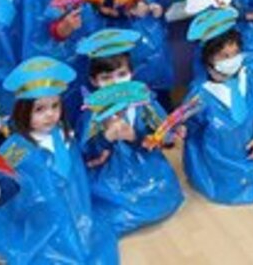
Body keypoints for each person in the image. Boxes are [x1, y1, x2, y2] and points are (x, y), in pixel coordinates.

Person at [0, 56, 119, 264]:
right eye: (40, 109)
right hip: (40, 224)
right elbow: (8, 180)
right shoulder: (17, 148)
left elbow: (79, 164)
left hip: (75, 215)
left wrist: (105, 139)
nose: (50, 115)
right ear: (23, 111)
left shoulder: (64, 134)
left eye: (55, 106)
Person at [76, 28, 184, 235]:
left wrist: (134, 137)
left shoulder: (144, 102)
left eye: (122, 75)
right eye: (106, 78)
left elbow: (163, 137)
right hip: (111, 173)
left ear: (132, 73)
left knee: (162, 195)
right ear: (94, 81)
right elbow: (86, 154)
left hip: (146, 165)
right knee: (108, 209)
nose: (116, 83)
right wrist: (105, 138)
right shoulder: (92, 112)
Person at [183, 7, 253, 204]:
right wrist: (182, 129)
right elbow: (192, 128)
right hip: (217, 159)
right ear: (208, 59)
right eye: (224, 56)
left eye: (236, 53)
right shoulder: (200, 94)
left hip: (251, 148)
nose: (232, 60)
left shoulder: (250, 77)